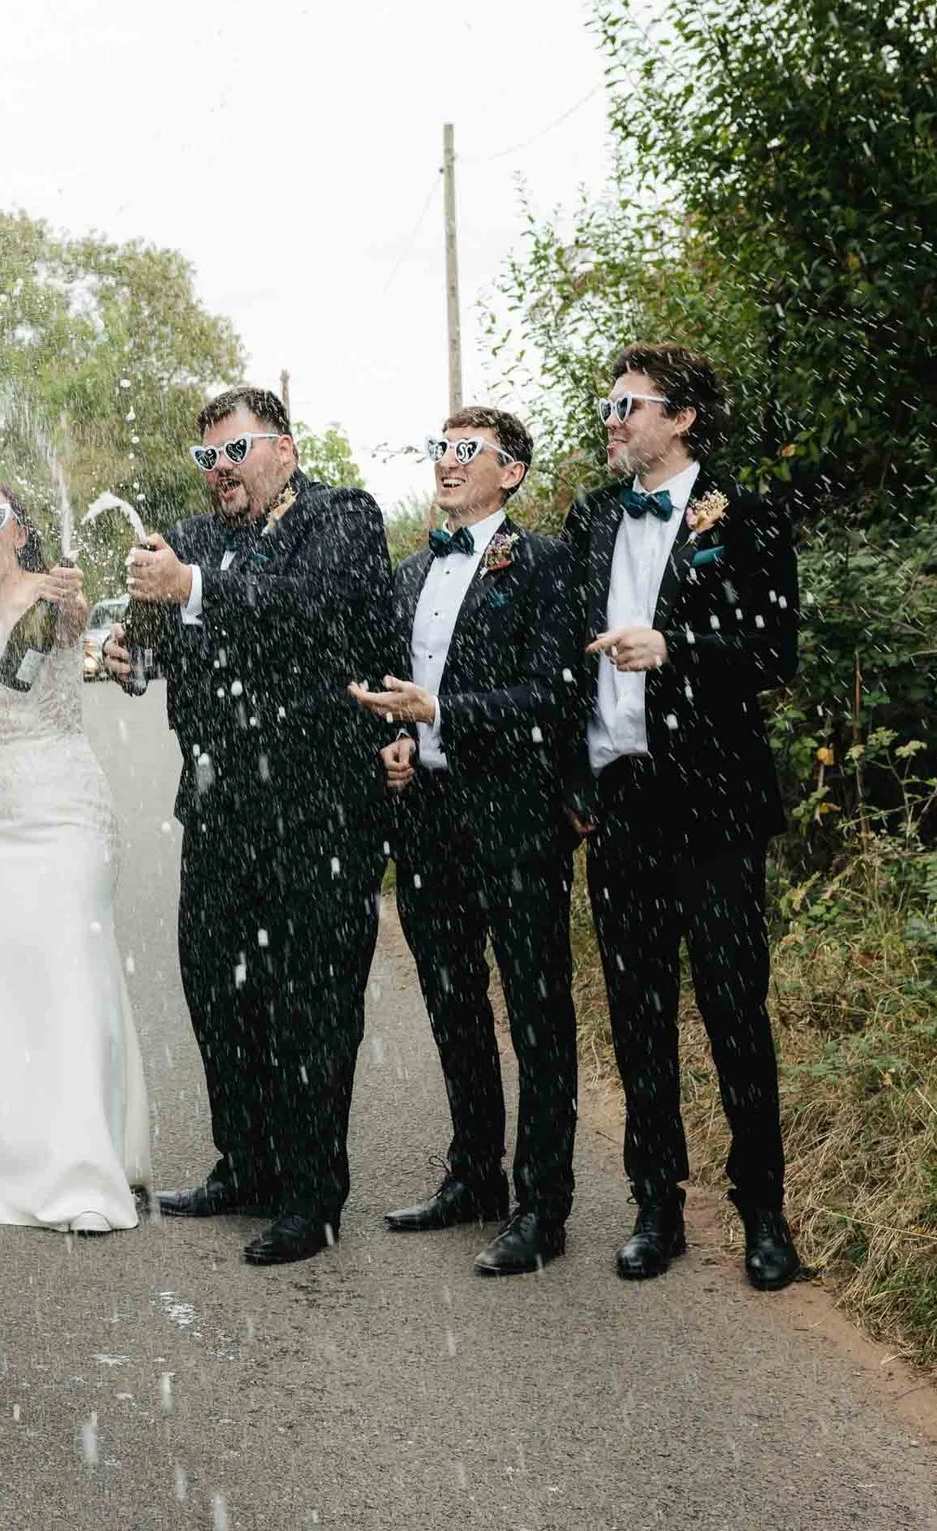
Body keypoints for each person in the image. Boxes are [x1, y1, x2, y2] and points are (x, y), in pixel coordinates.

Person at [101, 386, 398, 1267]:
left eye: (236, 450)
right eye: (209, 457)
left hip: (320, 807)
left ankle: (312, 1195)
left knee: (312, 1001)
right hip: (218, 806)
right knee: (219, 989)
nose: (221, 469)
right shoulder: (190, 538)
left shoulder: (343, 517)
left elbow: (308, 609)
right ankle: (246, 1161)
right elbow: (169, 644)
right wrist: (132, 657)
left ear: (285, 450)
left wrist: (192, 587)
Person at [565, 343, 802, 1291]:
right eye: (609, 405)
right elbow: (565, 653)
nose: (613, 420)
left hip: (713, 804)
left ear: (684, 417)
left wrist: (677, 645)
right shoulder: (591, 516)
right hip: (620, 800)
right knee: (638, 1014)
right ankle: (655, 1205)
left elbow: (774, 649)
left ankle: (764, 1215)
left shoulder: (746, 514)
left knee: (736, 1012)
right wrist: (572, 781)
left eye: (629, 404)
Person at [348, 408, 581, 1276]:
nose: (446, 463)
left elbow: (553, 694)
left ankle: (542, 1206)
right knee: (453, 1003)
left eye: (465, 451)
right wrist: (398, 740)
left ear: (510, 471)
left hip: (515, 815)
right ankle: (474, 1174)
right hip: (428, 817)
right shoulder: (411, 570)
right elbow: (394, 689)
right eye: (439, 449)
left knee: (537, 1012)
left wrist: (444, 711)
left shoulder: (546, 561)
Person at [0, 482, 150, 1234]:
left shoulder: (54, 596)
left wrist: (70, 598)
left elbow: (71, 623)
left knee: (68, 971)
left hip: (67, 812)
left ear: (19, 532)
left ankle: (81, 1172)